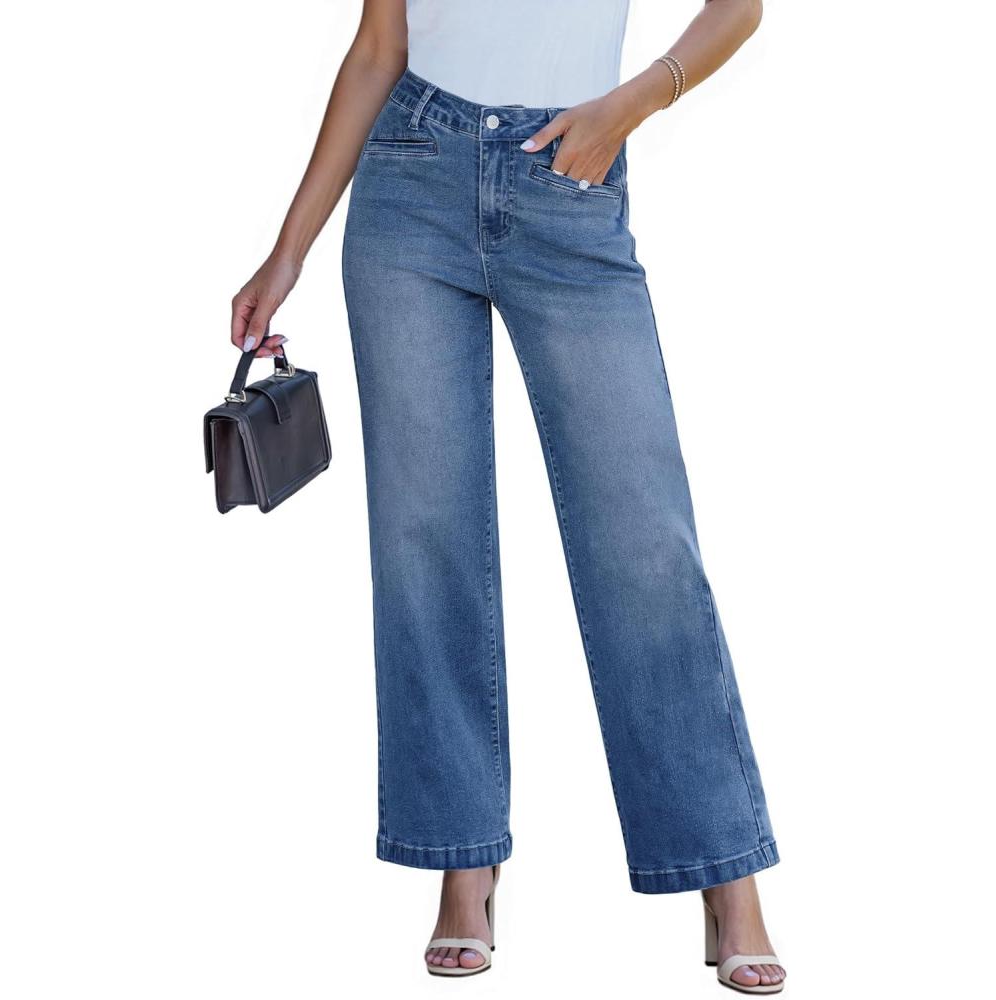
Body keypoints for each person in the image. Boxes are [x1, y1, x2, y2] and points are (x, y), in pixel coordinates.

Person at [230, 0, 785, 991]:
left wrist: (628, 107)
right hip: (408, 182)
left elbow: (737, 10)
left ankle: (724, 867)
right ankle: (464, 861)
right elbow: (379, 49)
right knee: (425, 540)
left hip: (570, 176)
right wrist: (289, 249)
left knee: (643, 546)